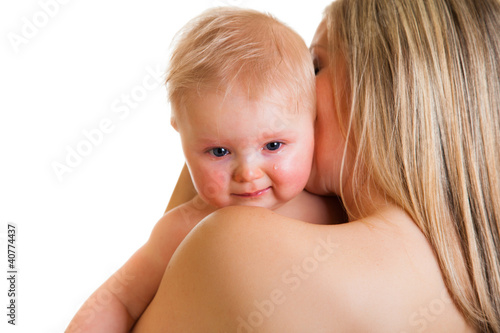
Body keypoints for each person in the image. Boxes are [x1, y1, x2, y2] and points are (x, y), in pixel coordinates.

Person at [132, 0, 500, 332]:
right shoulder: (474, 280)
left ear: (381, 85)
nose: (297, 86)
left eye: (316, 64)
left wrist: (215, 154)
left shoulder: (237, 246)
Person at [66, 7, 345, 332]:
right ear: (181, 134)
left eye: (272, 146)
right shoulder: (184, 228)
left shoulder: (337, 202)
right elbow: (119, 300)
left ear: (313, 123)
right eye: (220, 151)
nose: (248, 173)